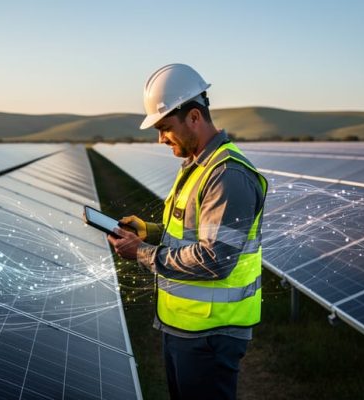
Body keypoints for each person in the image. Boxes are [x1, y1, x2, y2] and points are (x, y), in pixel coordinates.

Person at [107, 63, 268, 400]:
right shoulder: (199, 167)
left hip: (210, 334)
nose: (161, 138)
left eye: (165, 128)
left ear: (194, 117)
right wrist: (149, 231)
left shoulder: (227, 176)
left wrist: (140, 252)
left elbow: (215, 258)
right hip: (185, 329)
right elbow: (192, 233)